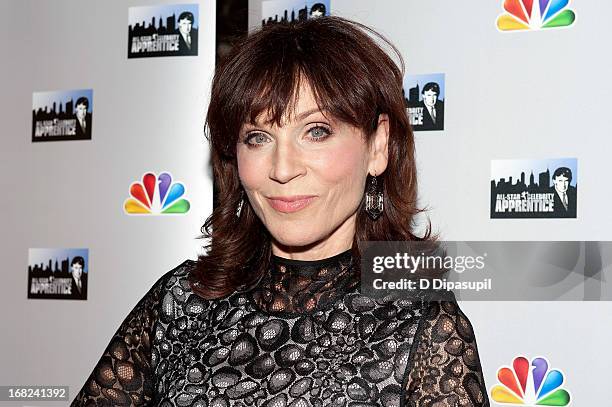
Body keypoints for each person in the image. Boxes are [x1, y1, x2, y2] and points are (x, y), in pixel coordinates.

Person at [71, 16, 489, 406]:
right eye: (257, 137)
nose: (283, 169)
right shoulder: (181, 302)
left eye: (316, 132)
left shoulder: (420, 325)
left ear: (378, 147)